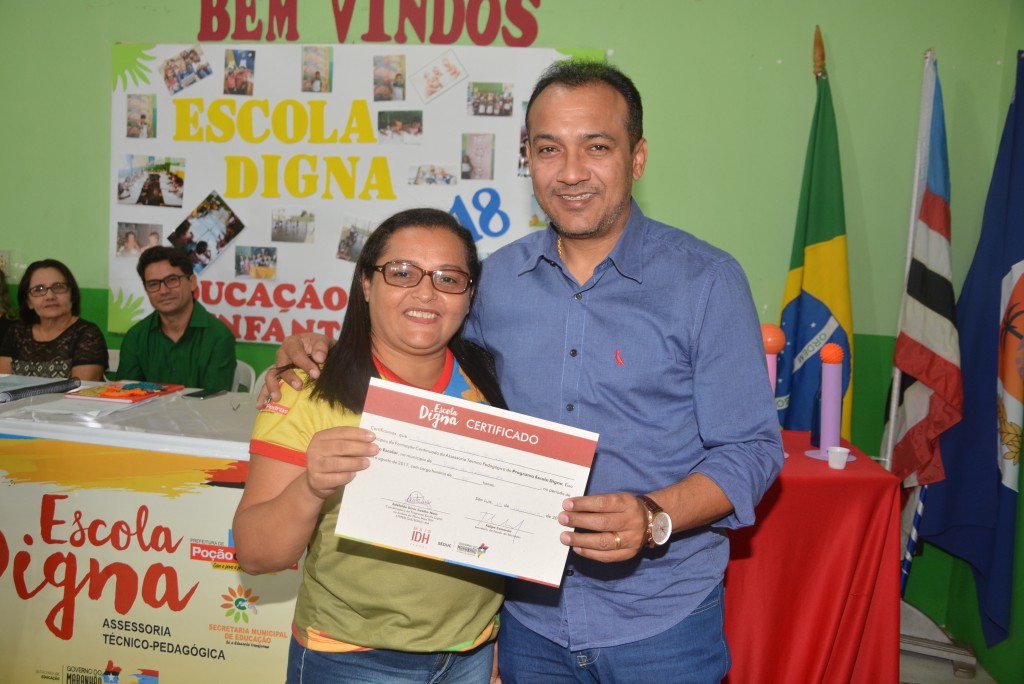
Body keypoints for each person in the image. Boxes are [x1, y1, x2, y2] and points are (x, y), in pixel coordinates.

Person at [267, 61, 784, 683]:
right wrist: (316, 351)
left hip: (661, 621)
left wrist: (655, 515)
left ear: (638, 157)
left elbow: (752, 449)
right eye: (548, 149)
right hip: (527, 623)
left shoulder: (706, 282)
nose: (571, 172)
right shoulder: (492, 283)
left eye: (597, 147)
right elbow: (415, 345)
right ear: (528, 160)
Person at [235, 208, 506, 684]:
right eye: (401, 272)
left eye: (448, 278)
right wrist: (310, 486)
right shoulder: (307, 389)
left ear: (469, 295)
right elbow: (256, 554)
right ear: (366, 282)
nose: (426, 292)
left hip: (472, 655)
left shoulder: (491, 383)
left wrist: (494, 642)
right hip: (352, 659)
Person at [117, 246, 235, 391]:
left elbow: (214, 399)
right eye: (153, 284)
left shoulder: (219, 336)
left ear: (192, 282)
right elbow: (126, 394)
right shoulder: (136, 337)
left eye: (172, 280)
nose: (163, 291)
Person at [0, 259, 107, 380]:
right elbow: (4, 384)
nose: (50, 296)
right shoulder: (16, 333)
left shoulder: (87, 334)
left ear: (72, 294)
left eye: (58, 287)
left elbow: (81, 388)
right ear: (28, 301)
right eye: (39, 289)